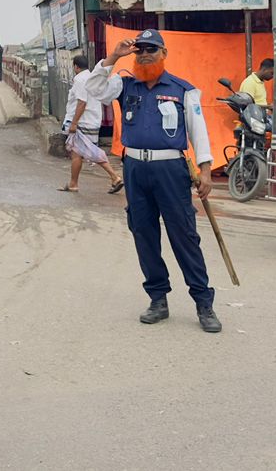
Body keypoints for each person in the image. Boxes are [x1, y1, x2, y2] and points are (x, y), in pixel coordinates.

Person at [89, 30, 222, 334]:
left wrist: (205, 170)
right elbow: (95, 89)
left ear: (164, 54)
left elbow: (198, 131)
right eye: (140, 50)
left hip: (171, 171)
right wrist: (113, 57)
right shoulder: (124, 84)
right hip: (136, 168)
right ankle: (158, 299)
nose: (145, 54)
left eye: (152, 49)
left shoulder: (183, 90)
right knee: (144, 234)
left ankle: (203, 302)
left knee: (184, 236)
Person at [59, 55, 123, 194]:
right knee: (82, 152)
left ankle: (114, 177)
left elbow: (82, 102)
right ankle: (74, 183)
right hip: (92, 120)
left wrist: (74, 123)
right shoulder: (92, 77)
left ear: (76, 67)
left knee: (85, 153)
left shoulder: (80, 80)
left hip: (83, 122)